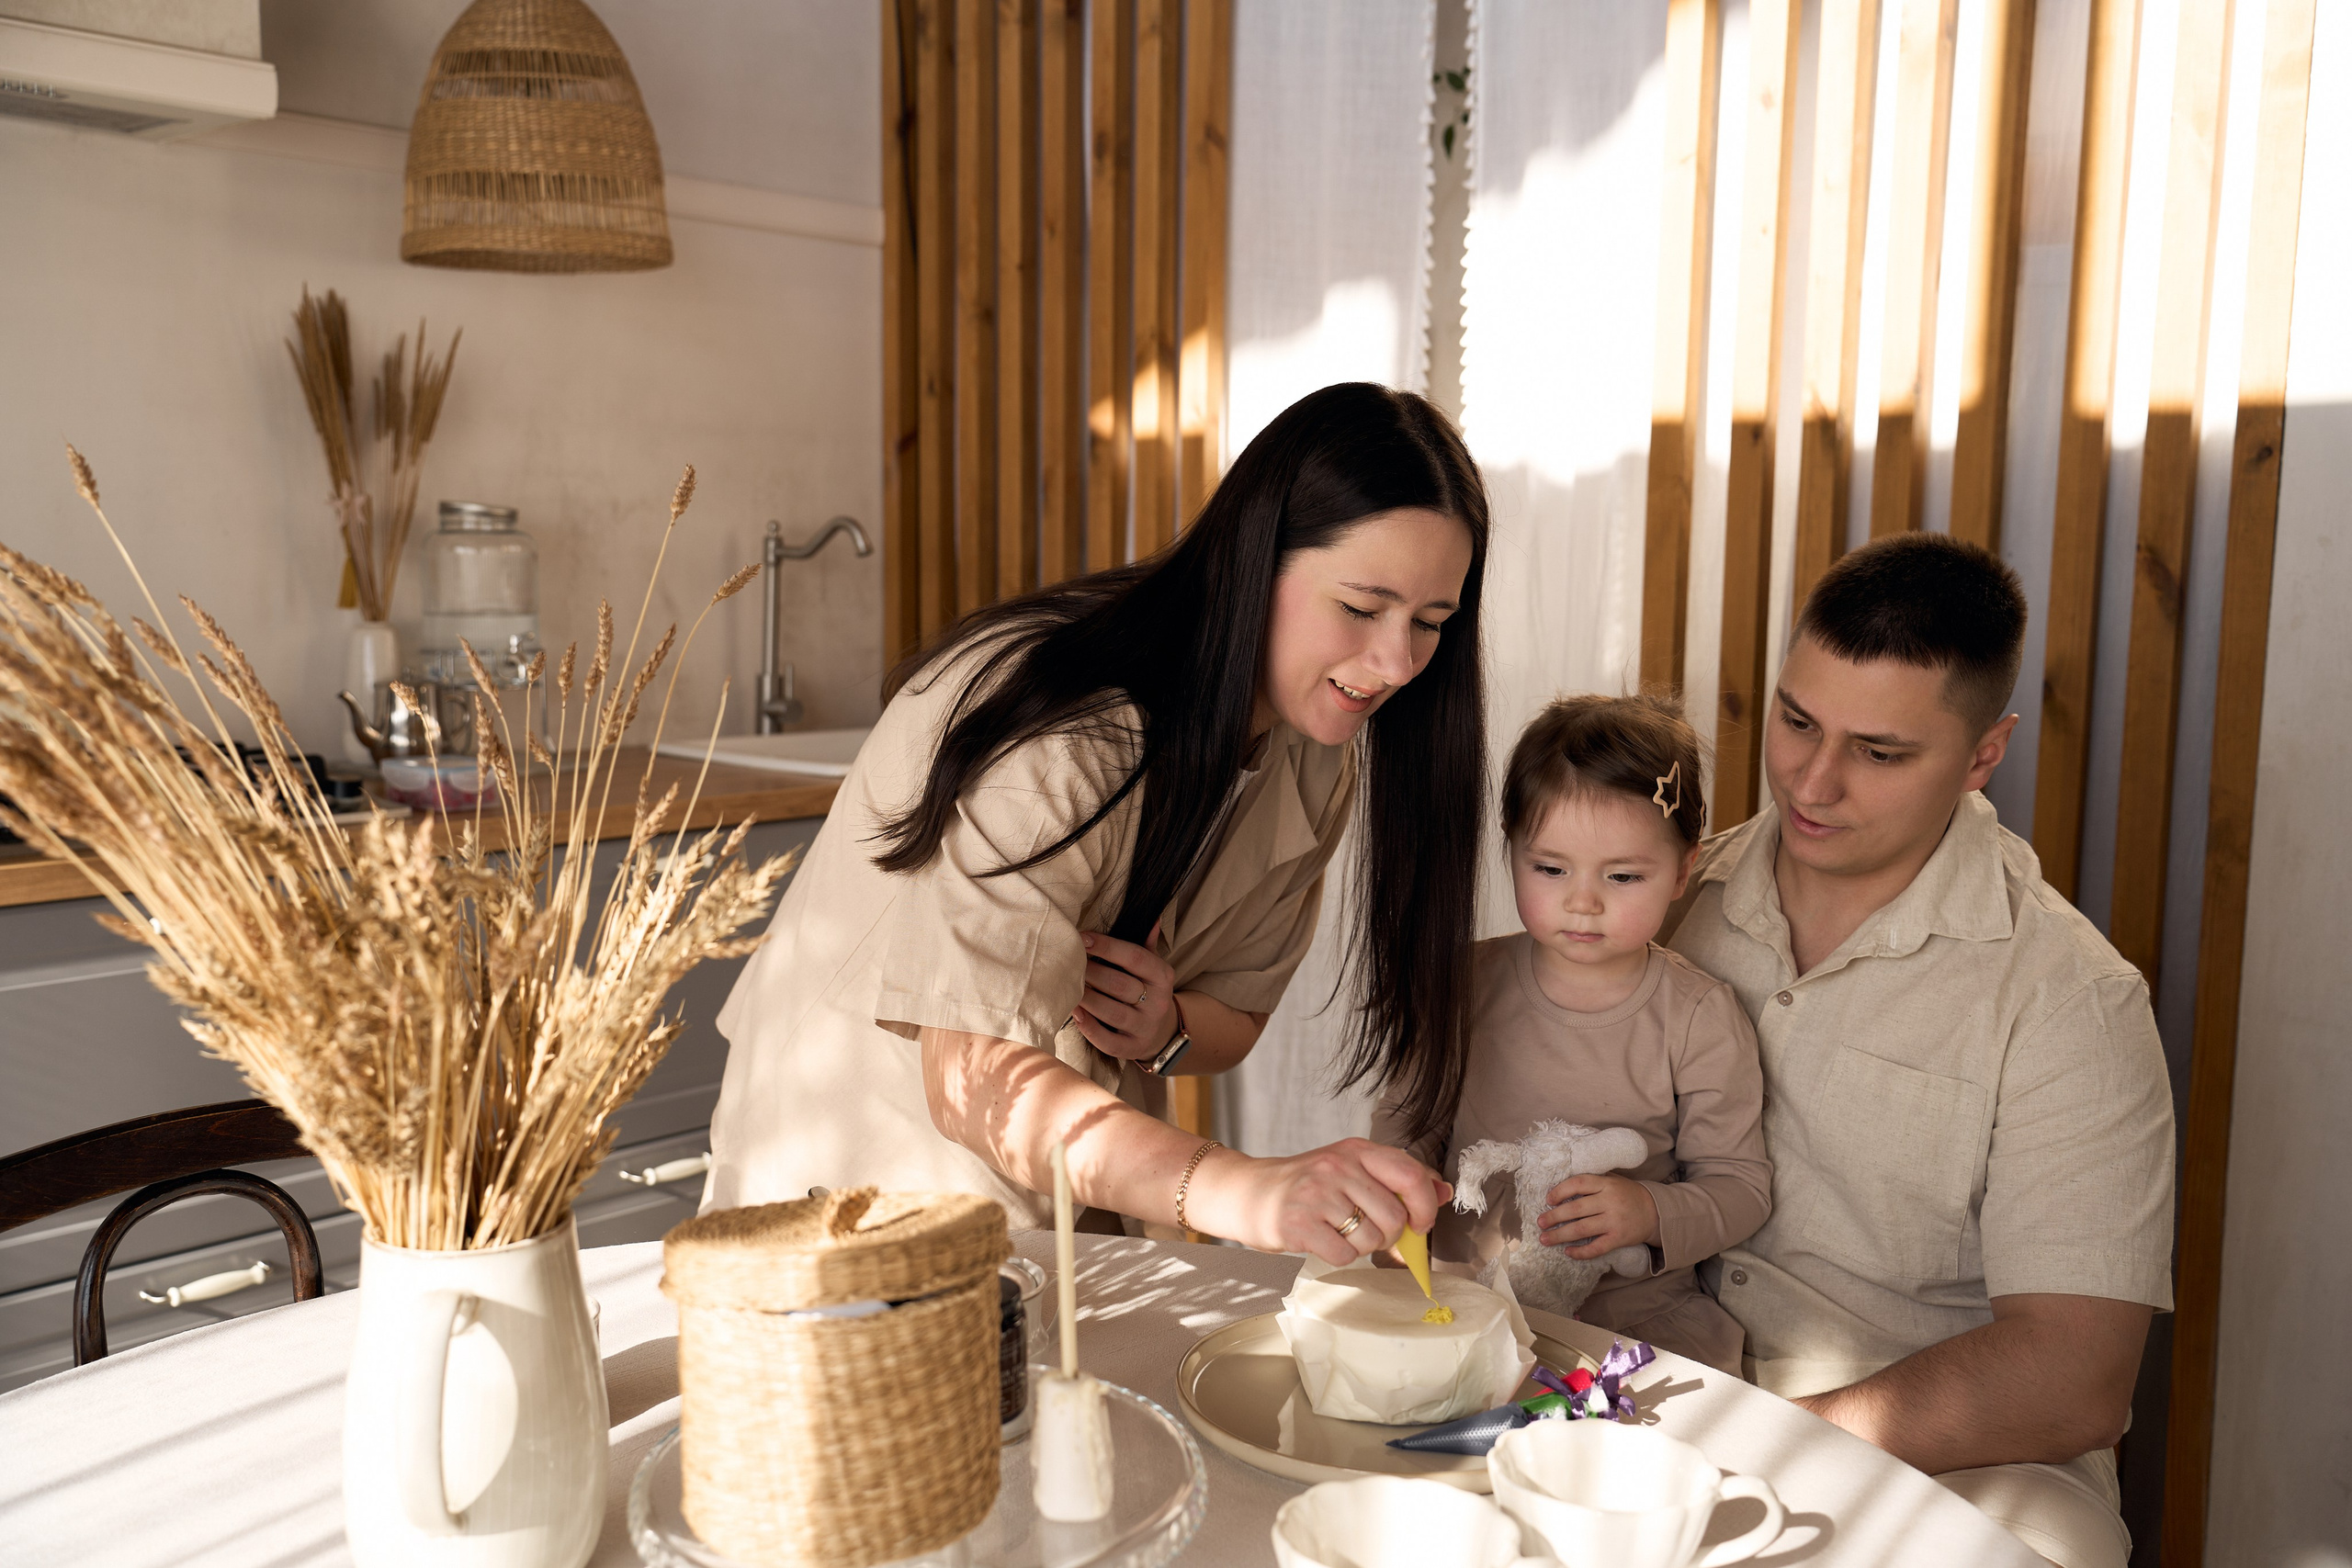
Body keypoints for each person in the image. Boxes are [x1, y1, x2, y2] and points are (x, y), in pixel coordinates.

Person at [703, 383, 1488, 1260]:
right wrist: (1244, 1188)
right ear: (1255, 557)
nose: (1396, 663)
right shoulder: (1061, 731)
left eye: (1430, 623)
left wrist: (1166, 1027)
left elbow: (1232, 1011)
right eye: (1360, 607)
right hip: (862, 1173)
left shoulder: (1314, 748)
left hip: (1072, 1167)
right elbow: (971, 1082)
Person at [1667, 533, 2174, 1568]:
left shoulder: (2071, 998)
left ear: (1984, 753)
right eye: (1795, 721)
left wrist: (1766, 1441)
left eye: (1878, 753)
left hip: (1963, 1456)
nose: (1811, 781)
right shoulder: (1672, 899)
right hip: (1669, 1387)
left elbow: (2074, 1374)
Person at [1376, 694, 1770, 1375]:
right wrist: (1396, 1195)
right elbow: (1408, 1125)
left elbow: (1740, 1187)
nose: (1583, 901)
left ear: (1682, 870)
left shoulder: (1699, 1015)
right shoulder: (1461, 983)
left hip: (1633, 1318)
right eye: (1551, 869)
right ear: (1512, 852)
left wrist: (1648, 1211)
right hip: (1463, 1301)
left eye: (1622, 876)